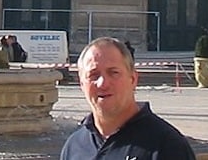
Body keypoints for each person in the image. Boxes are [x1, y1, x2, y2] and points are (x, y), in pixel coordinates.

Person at [61, 36, 194, 160]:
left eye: (113, 73)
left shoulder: (166, 145)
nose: (102, 83)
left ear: (133, 79)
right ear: (82, 84)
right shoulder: (74, 145)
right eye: (93, 75)